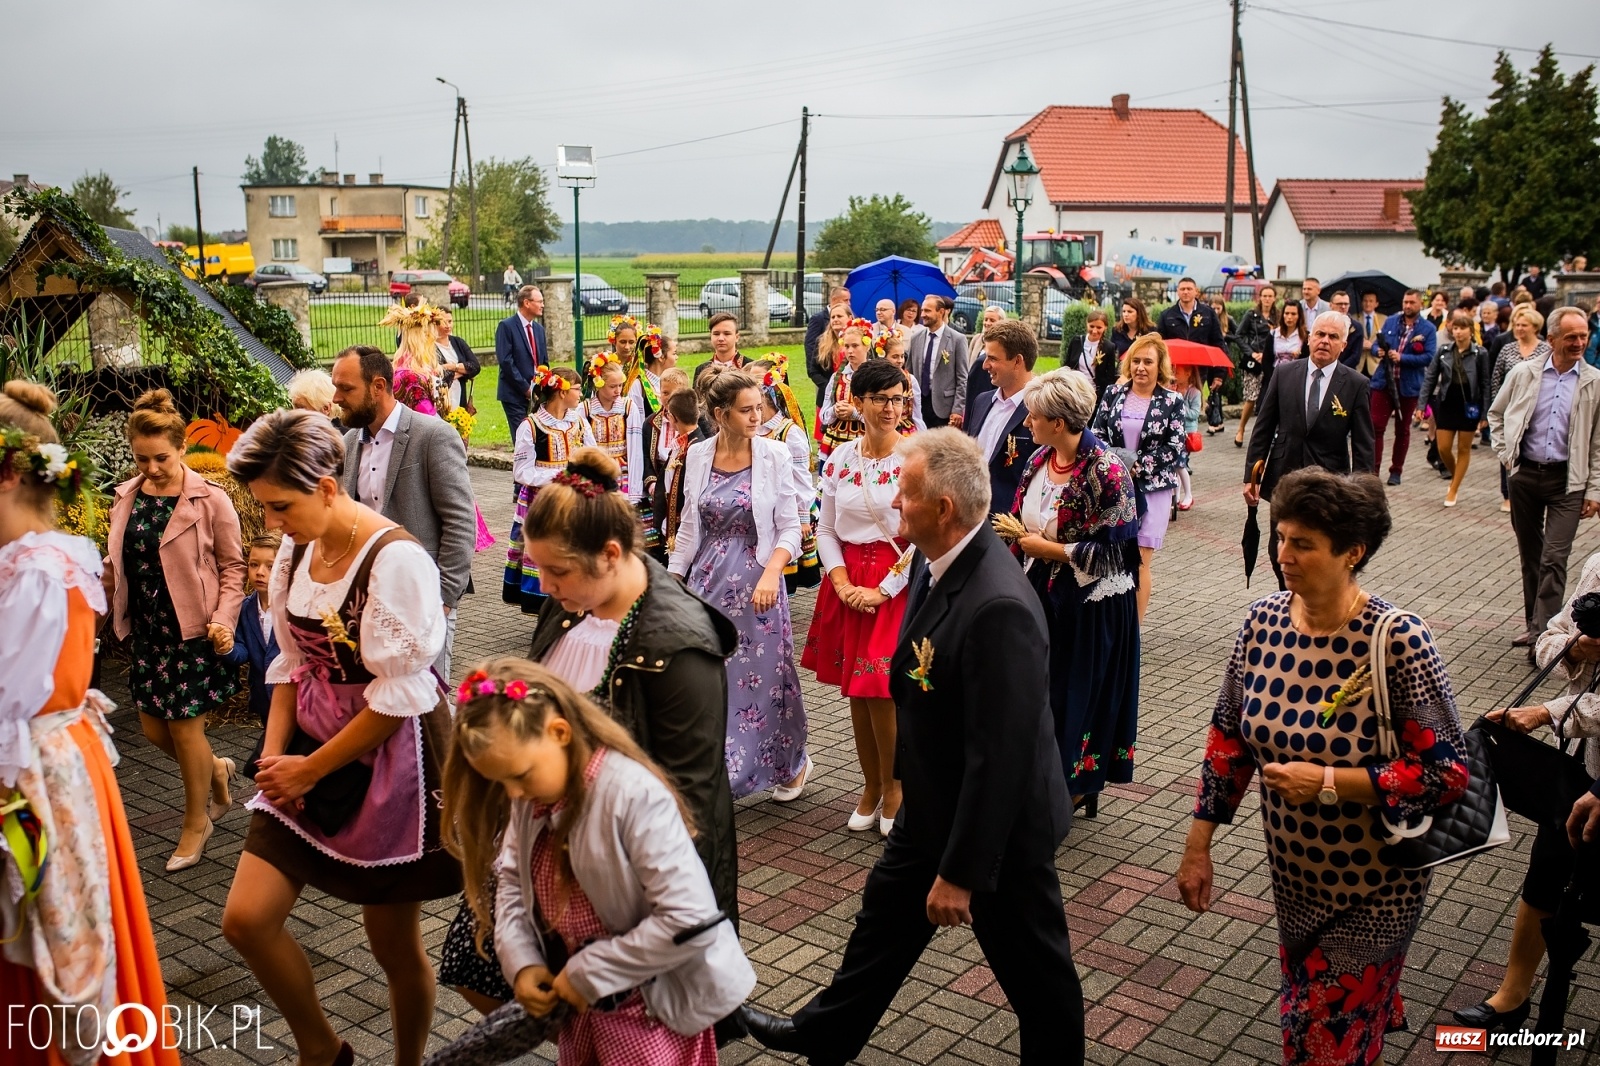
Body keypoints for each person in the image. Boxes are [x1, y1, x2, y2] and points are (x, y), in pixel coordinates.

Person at [740, 428, 1084, 1066]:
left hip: (997, 831)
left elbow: (1001, 756)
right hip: (933, 808)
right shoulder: (937, 561)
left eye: (905, 493)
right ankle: (824, 1037)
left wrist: (959, 873)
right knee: (882, 928)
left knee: (1037, 978)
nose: (895, 504)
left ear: (944, 509)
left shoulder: (997, 606)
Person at [1179, 467, 1470, 1066]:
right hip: (1295, 881)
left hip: (1376, 886)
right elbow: (1228, 740)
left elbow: (1446, 774)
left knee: (1318, 1039)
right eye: (1281, 537)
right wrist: (1198, 843)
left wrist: (1333, 784)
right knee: (1332, 1026)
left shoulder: (1397, 641)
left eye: (1303, 543)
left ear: (1352, 552)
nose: (1282, 554)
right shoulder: (1262, 623)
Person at [436, 449, 742, 1019]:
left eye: (557, 571)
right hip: (537, 837)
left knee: (608, 1017)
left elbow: (690, 797)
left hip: (616, 872)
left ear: (610, 553)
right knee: (478, 968)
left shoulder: (678, 646)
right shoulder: (575, 603)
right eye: (539, 568)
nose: (544, 585)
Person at [222, 410, 461, 1066]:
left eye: (280, 506)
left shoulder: (396, 560)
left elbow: (400, 698)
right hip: (306, 750)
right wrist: (278, 755)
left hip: (387, 764)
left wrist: (311, 769)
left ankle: (410, 1061)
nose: (272, 523)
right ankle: (322, 1051)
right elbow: (293, 665)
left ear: (328, 487)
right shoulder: (297, 551)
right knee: (244, 920)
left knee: (391, 946)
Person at [439, 660, 756, 1063]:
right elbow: (513, 883)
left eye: (519, 775)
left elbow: (688, 918)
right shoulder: (531, 798)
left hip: (652, 1012)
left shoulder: (632, 796)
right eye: (500, 783)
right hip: (587, 1005)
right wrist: (521, 962)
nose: (513, 794)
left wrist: (588, 972)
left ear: (559, 733)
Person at [0, 380, 181, 1066]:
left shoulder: (41, 571)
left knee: (50, 967)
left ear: (12, 473)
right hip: (43, 763)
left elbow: (9, 709)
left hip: (34, 784)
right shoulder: (34, 561)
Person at [106, 388, 244, 871]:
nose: (151, 468)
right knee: (153, 730)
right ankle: (219, 771)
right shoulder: (126, 497)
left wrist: (224, 619)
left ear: (182, 448)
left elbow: (233, 568)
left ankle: (197, 822)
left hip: (192, 633)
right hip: (146, 632)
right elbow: (118, 560)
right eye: (141, 458)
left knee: (186, 734)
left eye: (160, 457)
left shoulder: (211, 500)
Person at [1465, 551, 1600, 1033]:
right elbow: (1548, 642)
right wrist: (1578, 649)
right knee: (1547, 869)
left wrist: (1547, 712)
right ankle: (1513, 995)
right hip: (1591, 768)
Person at [669, 370, 810, 802]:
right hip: (707, 582)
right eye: (746, 410)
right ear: (720, 414)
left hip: (758, 585)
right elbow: (689, 527)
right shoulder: (697, 455)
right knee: (710, 677)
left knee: (767, 678)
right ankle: (721, 767)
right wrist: (672, 580)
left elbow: (790, 528)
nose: (757, 417)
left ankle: (789, 763)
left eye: (759, 408)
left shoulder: (775, 454)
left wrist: (772, 573)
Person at [1008, 370, 1140, 817]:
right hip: (1041, 594)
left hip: (1091, 604)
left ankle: (1076, 784)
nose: (1027, 424)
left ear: (1059, 422)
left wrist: (1050, 549)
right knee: (1039, 690)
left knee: (1075, 693)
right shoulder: (1039, 460)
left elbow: (1117, 553)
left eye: (1034, 417)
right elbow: (1018, 518)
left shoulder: (1107, 470)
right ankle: (1041, 775)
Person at [803, 360, 915, 837]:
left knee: (883, 691)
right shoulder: (839, 459)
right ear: (860, 401)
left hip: (895, 583)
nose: (891, 408)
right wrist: (844, 581)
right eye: (881, 399)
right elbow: (825, 527)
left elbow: (924, 538)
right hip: (846, 581)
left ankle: (895, 789)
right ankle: (869, 786)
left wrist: (882, 588)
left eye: (898, 399)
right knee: (856, 690)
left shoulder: (915, 459)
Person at [332, 346, 477, 678]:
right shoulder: (350, 442)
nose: (336, 397)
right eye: (335, 386)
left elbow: (460, 520)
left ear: (379, 386)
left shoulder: (433, 436)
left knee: (425, 702)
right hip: (366, 596)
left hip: (423, 596)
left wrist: (443, 597)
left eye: (346, 388)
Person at [1488, 307, 1600, 654]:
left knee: (1554, 557)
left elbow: (1598, 441)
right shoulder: (1525, 373)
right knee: (1531, 554)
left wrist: (1595, 489)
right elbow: (1497, 413)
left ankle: (1543, 636)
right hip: (1525, 475)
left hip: (1569, 481)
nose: (1579, 342)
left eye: (1583, 336)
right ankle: (1533, 623)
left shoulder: (1594, 381)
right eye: (1571, 337)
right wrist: (1507, 455)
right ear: (1552, 339)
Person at [1245, 311, 1377, 590]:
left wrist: (1365, 493)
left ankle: (1313, 607)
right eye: (1320, 334)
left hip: (1330, 483)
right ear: (1309, 338)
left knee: (1319, 553)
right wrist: (1251, 475)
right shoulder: (1284, 373)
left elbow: (1364, 444)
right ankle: (1288, 600)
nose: (1325, 341)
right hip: (1283, 476)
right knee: (1279, 552)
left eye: (1333, 337)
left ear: (1343, 345)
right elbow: (1263, 428)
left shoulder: (1355, 384)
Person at [1090, 334, 1187, 622]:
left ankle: (1135, 627)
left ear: (1160, 366)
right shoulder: (1112, 394)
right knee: (1115, 554)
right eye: (1136, 360)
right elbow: (1096, 434)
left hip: (1153, 489)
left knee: (1141, 558)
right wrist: (1118, 465)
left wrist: (1138, 465)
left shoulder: (1172, 401)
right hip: (1115, 486)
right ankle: (1114, 622)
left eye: (1148, 361)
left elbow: (1175, 447)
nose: (1141, 367)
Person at [505, 366, 596, 613]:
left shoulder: (577, 421)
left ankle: (574, 606)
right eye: (577, 389)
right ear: (561, 392)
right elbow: (521, 471)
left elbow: (592, 453)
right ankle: (548, 610)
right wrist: (560, 476)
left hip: (575, 499)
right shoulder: (532, 425)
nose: (581, 395)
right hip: (543, 501)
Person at [750, 355, 820, 593]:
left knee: (779, 577)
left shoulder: (789, 432)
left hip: (784, 510)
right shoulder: (752, 430)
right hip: (760, 508)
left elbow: (801, 479)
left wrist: (802, 518)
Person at [966, 319, 1040, 518]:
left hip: (1011, 527)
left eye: (992, 358)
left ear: (1017, 361)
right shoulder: (981, 402)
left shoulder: (1041, 410)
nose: (985, 365)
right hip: (970, 519)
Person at [225, 531, 284, 779]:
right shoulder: (246, 608)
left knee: (279, 754)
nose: (260, 572)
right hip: (264, 699)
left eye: (271, 566)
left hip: (294, 700)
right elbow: (243, 653)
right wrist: (225, 648)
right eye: (254, 564)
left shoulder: (293, 608)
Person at [1420, 311, 1492, 506]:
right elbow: (1430, 378)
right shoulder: (1444, 350)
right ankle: (1455, 475)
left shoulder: (1480, 353)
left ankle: (1454, 488)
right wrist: (1422, 404)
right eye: (1456, 328)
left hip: (1469, 405)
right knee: (1443, 448)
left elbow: (1486, 384)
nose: (1458, 332)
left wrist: (1485, 413)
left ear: (1471, 331)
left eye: (1463, 328)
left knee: (1463, 448)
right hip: (1446, 403)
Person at [1371, 289, 1438, 485]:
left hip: (1408, 386)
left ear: (1420, 305)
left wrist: (1403, 358)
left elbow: (1429, 357)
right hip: (1384, 382)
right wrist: (1379, 350)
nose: (1407, 306)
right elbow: (1375, 345)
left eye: (1412, 303)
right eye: (1405, 302)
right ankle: (1373, 471)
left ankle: (1396, 470)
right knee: (1376, 426)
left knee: (1402, 429)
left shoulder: (1427, 329)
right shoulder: (1391, 321)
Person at [581, 355, 642, 503]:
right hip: (595, 470)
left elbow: (635, 446)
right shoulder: (585, 409)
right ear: (599, 384)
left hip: (622, 472)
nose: (618, 391)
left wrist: (635, 487)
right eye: (613, 386)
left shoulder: (628, 407)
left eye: (620, 385)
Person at [907, 294, 969, 429]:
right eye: (922, 310)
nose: (923, 314)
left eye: (927, 311)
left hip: (944, 409)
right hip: (918, 406)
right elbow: (909, 372)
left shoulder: (957, 339)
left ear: (941, 312)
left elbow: (962, 378)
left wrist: (958, 410)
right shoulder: (916, 338)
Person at [495, 285, 549, 432]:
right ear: (527, 303)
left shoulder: (539, 330)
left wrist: (541, 387)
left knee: (538, 437)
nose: (542, 305)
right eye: (539, 301)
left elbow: (543, 362)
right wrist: (525, 389)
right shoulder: (506, 326)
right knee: (522, 437)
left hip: (536, 395)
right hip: (514, 394)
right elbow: (506, 361)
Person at [818, 320, 873, 461]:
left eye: (855, 346)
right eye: (847, 346)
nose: (850, 351)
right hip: (834, 443)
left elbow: (879, 417)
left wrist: (854, 413)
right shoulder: (837, 376)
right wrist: (835, 410)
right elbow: (824, 416)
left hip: (865, 442)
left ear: (867, 346)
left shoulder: (875, 376)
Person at [1235, 284, 1280, 447]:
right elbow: (1238, 335)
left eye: (1270, 296)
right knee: (1251, 397)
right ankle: (1240, 429)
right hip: (1253, 362)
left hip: (1271, 360)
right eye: (1264, 296)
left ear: (1275, 298)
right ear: (1259, 298)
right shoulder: (1251, 315)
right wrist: (1251, 352)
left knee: (1270, 396)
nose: (1267, 299)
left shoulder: (1278, 316)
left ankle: (1267, 433)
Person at [436, 307, 482, 414]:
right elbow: (439, 376)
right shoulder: (430, 347)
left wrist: (452, 367)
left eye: (450, 321)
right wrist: (464, 371)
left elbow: (475, 366)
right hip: (441, 400)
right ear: (435, 323)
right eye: (444, 322)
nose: (448, 325)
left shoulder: (458, 342)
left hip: (460, 397)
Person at [1066, 309, 1118, 402]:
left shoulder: (1109, 347)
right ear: (1087, 324)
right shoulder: (1076, 341)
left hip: (1095, 395)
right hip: (1075, 391)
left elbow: (1110, 376)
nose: (1094, 331)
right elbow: (1067, 366)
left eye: (1099, 327)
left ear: (1105, 327)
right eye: (1092, 326)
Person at [805, 286, 851, 392]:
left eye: (839, 316)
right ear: (834, 300)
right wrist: (817, 377)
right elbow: (810, 345)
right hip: (824, 378)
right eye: (846, 300)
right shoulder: (818, 319)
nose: (848, 303)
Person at [1157, 277, 1224, 346]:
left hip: (1201, 355)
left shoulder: (1208, 313)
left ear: (1196, 291)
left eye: (1189, 289)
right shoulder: (1166, 316)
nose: (1185, 292)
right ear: (1177, 291)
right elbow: (1160, 344)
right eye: (1182, 289)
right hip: (1176, 356)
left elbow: (1218, 341)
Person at [963, 302, 1006, 410]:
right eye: (985, 319)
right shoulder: (976, 339)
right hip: (973, 389)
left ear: (1001, 322)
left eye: (992, 320)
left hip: (992, 389)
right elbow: (968, 365)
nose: (987, 323)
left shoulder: (1003, 344)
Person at [1173, 364, 1202, 511]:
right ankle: (1176, 496)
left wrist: (1181, 405)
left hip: (1187, 434)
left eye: (1178, 372)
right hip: (1175, 432)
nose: (1175, 374)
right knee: (1174, 464)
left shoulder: (1194, 393)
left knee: (1180, 464)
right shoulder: (1174, 390)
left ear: (1188, 373)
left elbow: (1195, 414)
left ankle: (1188, 495)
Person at [694, 312, 745, 386]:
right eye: (716, 334)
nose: (721, 338)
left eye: (727, 334)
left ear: (737, 337)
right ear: (710, 336)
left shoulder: (749, 366)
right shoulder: (701, 369)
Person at [1111, 295, 1157, 362]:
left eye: (1130, 312)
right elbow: (1111, 352)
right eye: (1124, 311)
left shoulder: (1150, 331)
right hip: (1123, 368)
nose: (1126, 314)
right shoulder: (1117, 330)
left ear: (1139, 314)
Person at [1328, 290, 1364, 371]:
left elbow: (1356, 356)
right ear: (1331, 305)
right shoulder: (1324, 323)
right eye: (1339, 304)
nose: (1343, 307)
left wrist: (1337, 368)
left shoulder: (1356, 327)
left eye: (1346, 304)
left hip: (1346, 370)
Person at [1358, 291, 1386, 377]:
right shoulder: (1354, 318)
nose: (1367, 303)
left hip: (1375, 364)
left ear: (1376, 304)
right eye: (1365, 301)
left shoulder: (1384, 319)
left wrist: (1372, 346)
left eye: (1371, 301)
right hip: (1359, 365)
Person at [1273, 300, 1308, 367]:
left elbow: (1306, 359)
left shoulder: (1305, 336)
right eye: (1286, 313)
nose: (1289, 317)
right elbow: (1266, 360)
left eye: (1293, 314)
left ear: (1299, 316)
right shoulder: (1274, 334)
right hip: (1275, 373)